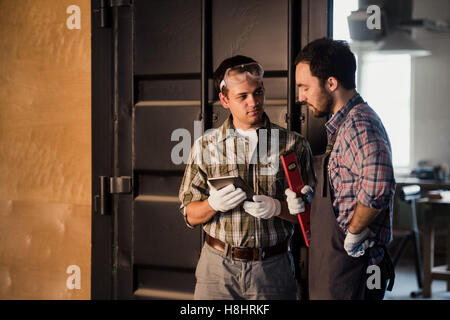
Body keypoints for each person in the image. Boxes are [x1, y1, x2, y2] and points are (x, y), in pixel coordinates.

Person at [178, 55, 315, 300]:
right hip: (216, 271)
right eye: (242, 96)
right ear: (224, 100)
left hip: (273, 270)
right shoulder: (205, 146)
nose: (254, 102)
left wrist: (277, 208)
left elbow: (311, 218)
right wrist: (212, 205)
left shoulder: (294, 145)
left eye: (258, 92)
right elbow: (189, 214)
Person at [288, 38, 396, 300]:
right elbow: (349, 188)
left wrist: (355, 231)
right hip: (335, 267)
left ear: (331, 83)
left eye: (305, 87)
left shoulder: (358, 124)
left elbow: (379, 185)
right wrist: (312, 201)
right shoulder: (342, 126)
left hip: (355, 268)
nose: (300, 97)